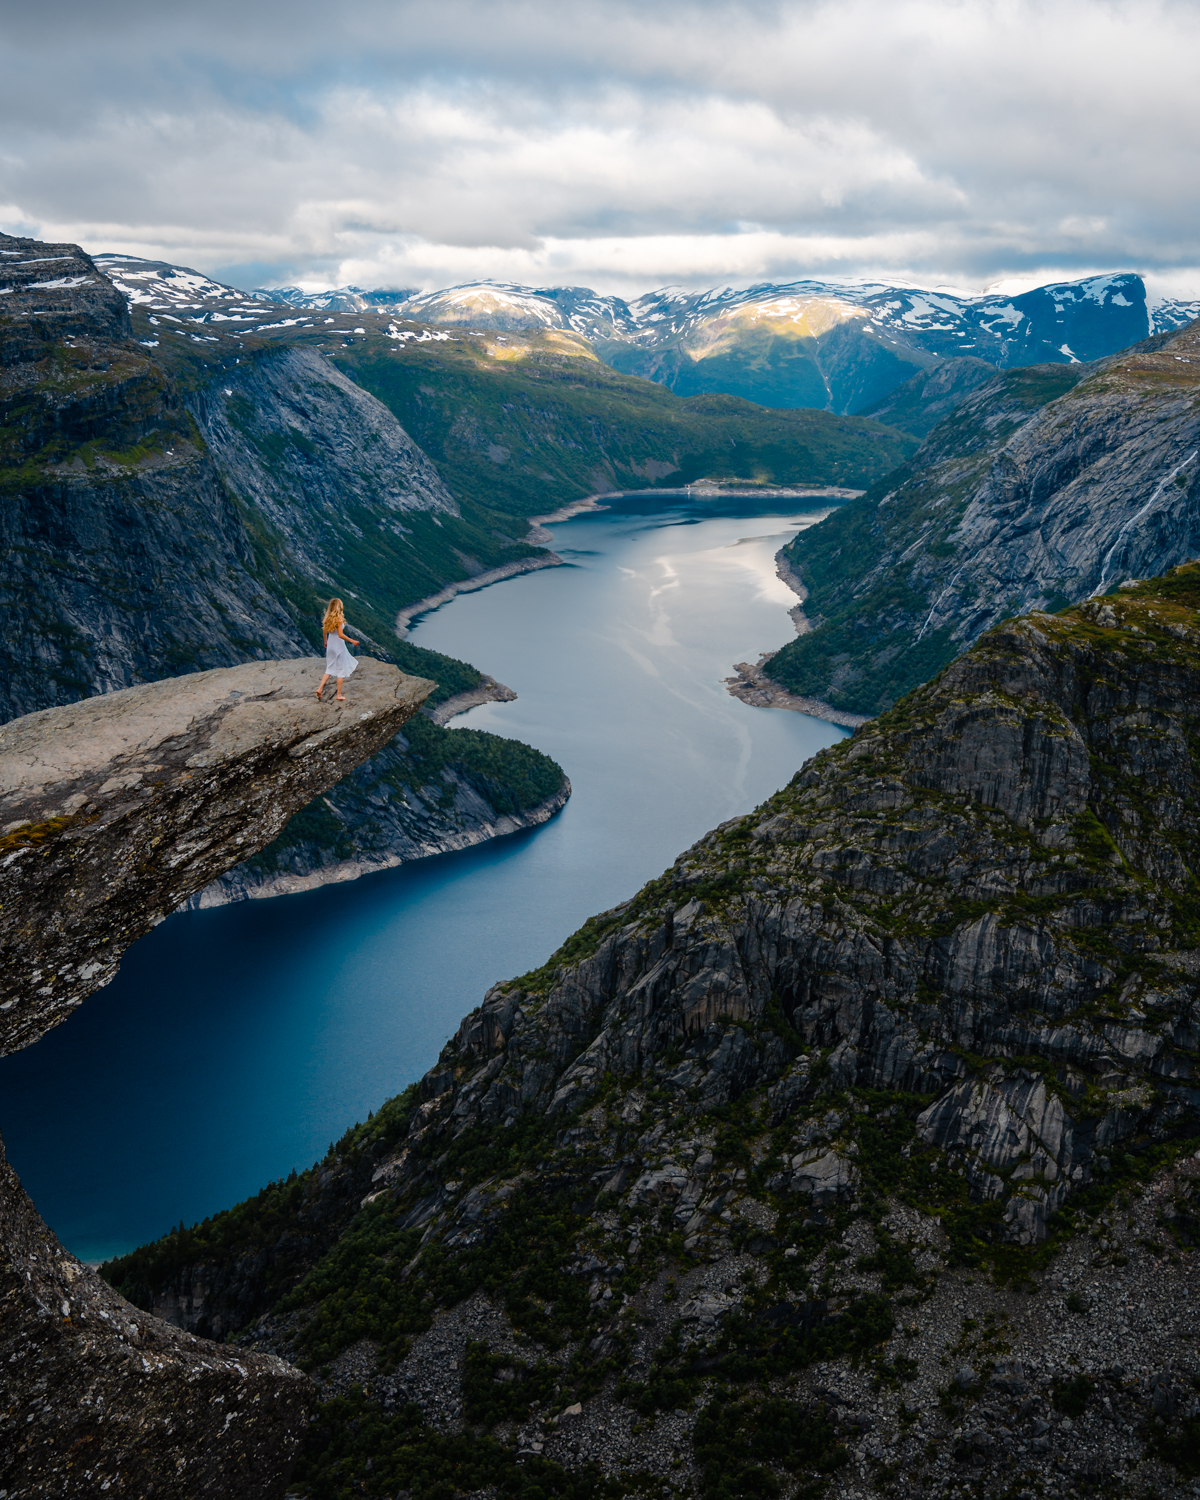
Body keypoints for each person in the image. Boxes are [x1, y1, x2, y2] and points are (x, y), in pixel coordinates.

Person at [316, 597, 360, 701]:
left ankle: (320, 688)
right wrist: (352, 641)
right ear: (339, 607)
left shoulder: (327, 618)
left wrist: (325, 642)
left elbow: (324, 632)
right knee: (341, 671)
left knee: (329, 669)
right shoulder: (339, 619)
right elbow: (340, 634)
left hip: (330, 646)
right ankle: (339, 695)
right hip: (339, 647)